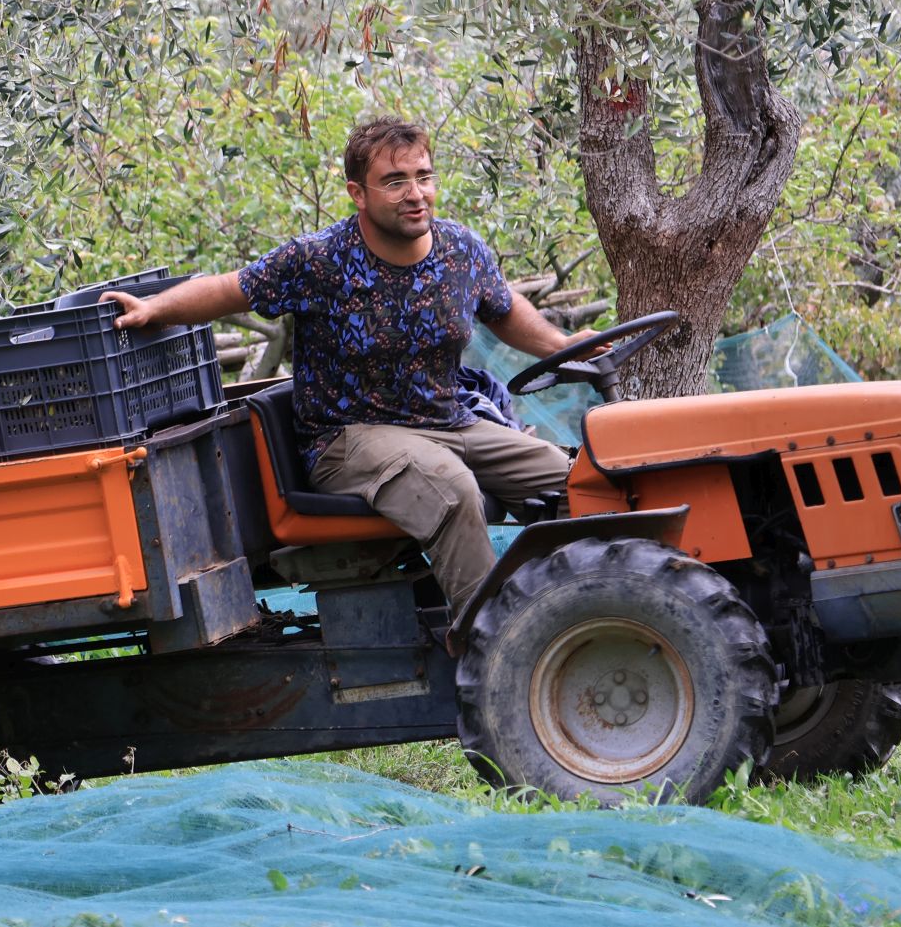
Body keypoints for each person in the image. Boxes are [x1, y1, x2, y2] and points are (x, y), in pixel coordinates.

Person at [101, 116, 599, 611]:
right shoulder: (320, 260)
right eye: (395, 182)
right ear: (358, 193)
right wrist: (155, 309)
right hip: (349, 438)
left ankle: (591, 608)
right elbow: (231, 290)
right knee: (450, 489)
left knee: (579, 481)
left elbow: (505, 312)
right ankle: (491, 641)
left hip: (451, 420)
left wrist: (562, 344)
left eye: (424, 177)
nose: (415, 194)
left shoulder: (461, 251)